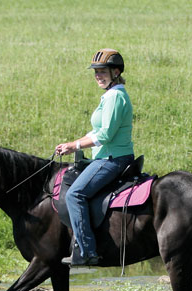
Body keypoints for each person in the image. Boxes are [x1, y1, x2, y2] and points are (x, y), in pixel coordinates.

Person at [56, 48, 135, 266]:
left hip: (112, 160)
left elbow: (105, 134)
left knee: (74, 195)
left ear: (116, 72)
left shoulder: (115, 97)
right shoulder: (110, 96)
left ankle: (86, 251)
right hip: (106, 157)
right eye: (96, 72)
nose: (98, 76)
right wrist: (72, 144)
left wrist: (75, 145)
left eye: (102, 71)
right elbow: (95, 132)